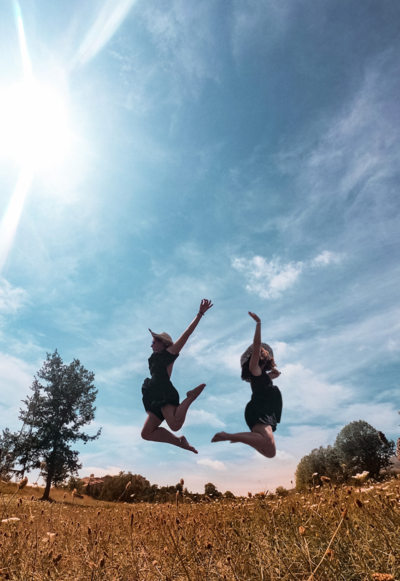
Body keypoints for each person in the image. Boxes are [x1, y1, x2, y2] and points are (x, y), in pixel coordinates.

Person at [141, 299, 213, 454]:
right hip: (154, 396)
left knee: (175, 424)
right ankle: (179, 441)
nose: (151, 345)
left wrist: (200, 314)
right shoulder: (154, 357)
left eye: (154, 342)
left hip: (164, 393)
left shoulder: (169, 353)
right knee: (146, 433)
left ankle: (190, 397)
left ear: (164, 344)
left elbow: (186, 334)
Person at [211, 312, 282, 458]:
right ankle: (228, 435)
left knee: (270, 453)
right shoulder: (254, 371)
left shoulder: (263, 376)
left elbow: (276, 374)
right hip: (257, 409)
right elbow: (256, 347)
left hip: (267, 411)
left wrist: (270, 362)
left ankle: (244, 438)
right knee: (267, 440)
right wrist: (258, 324)